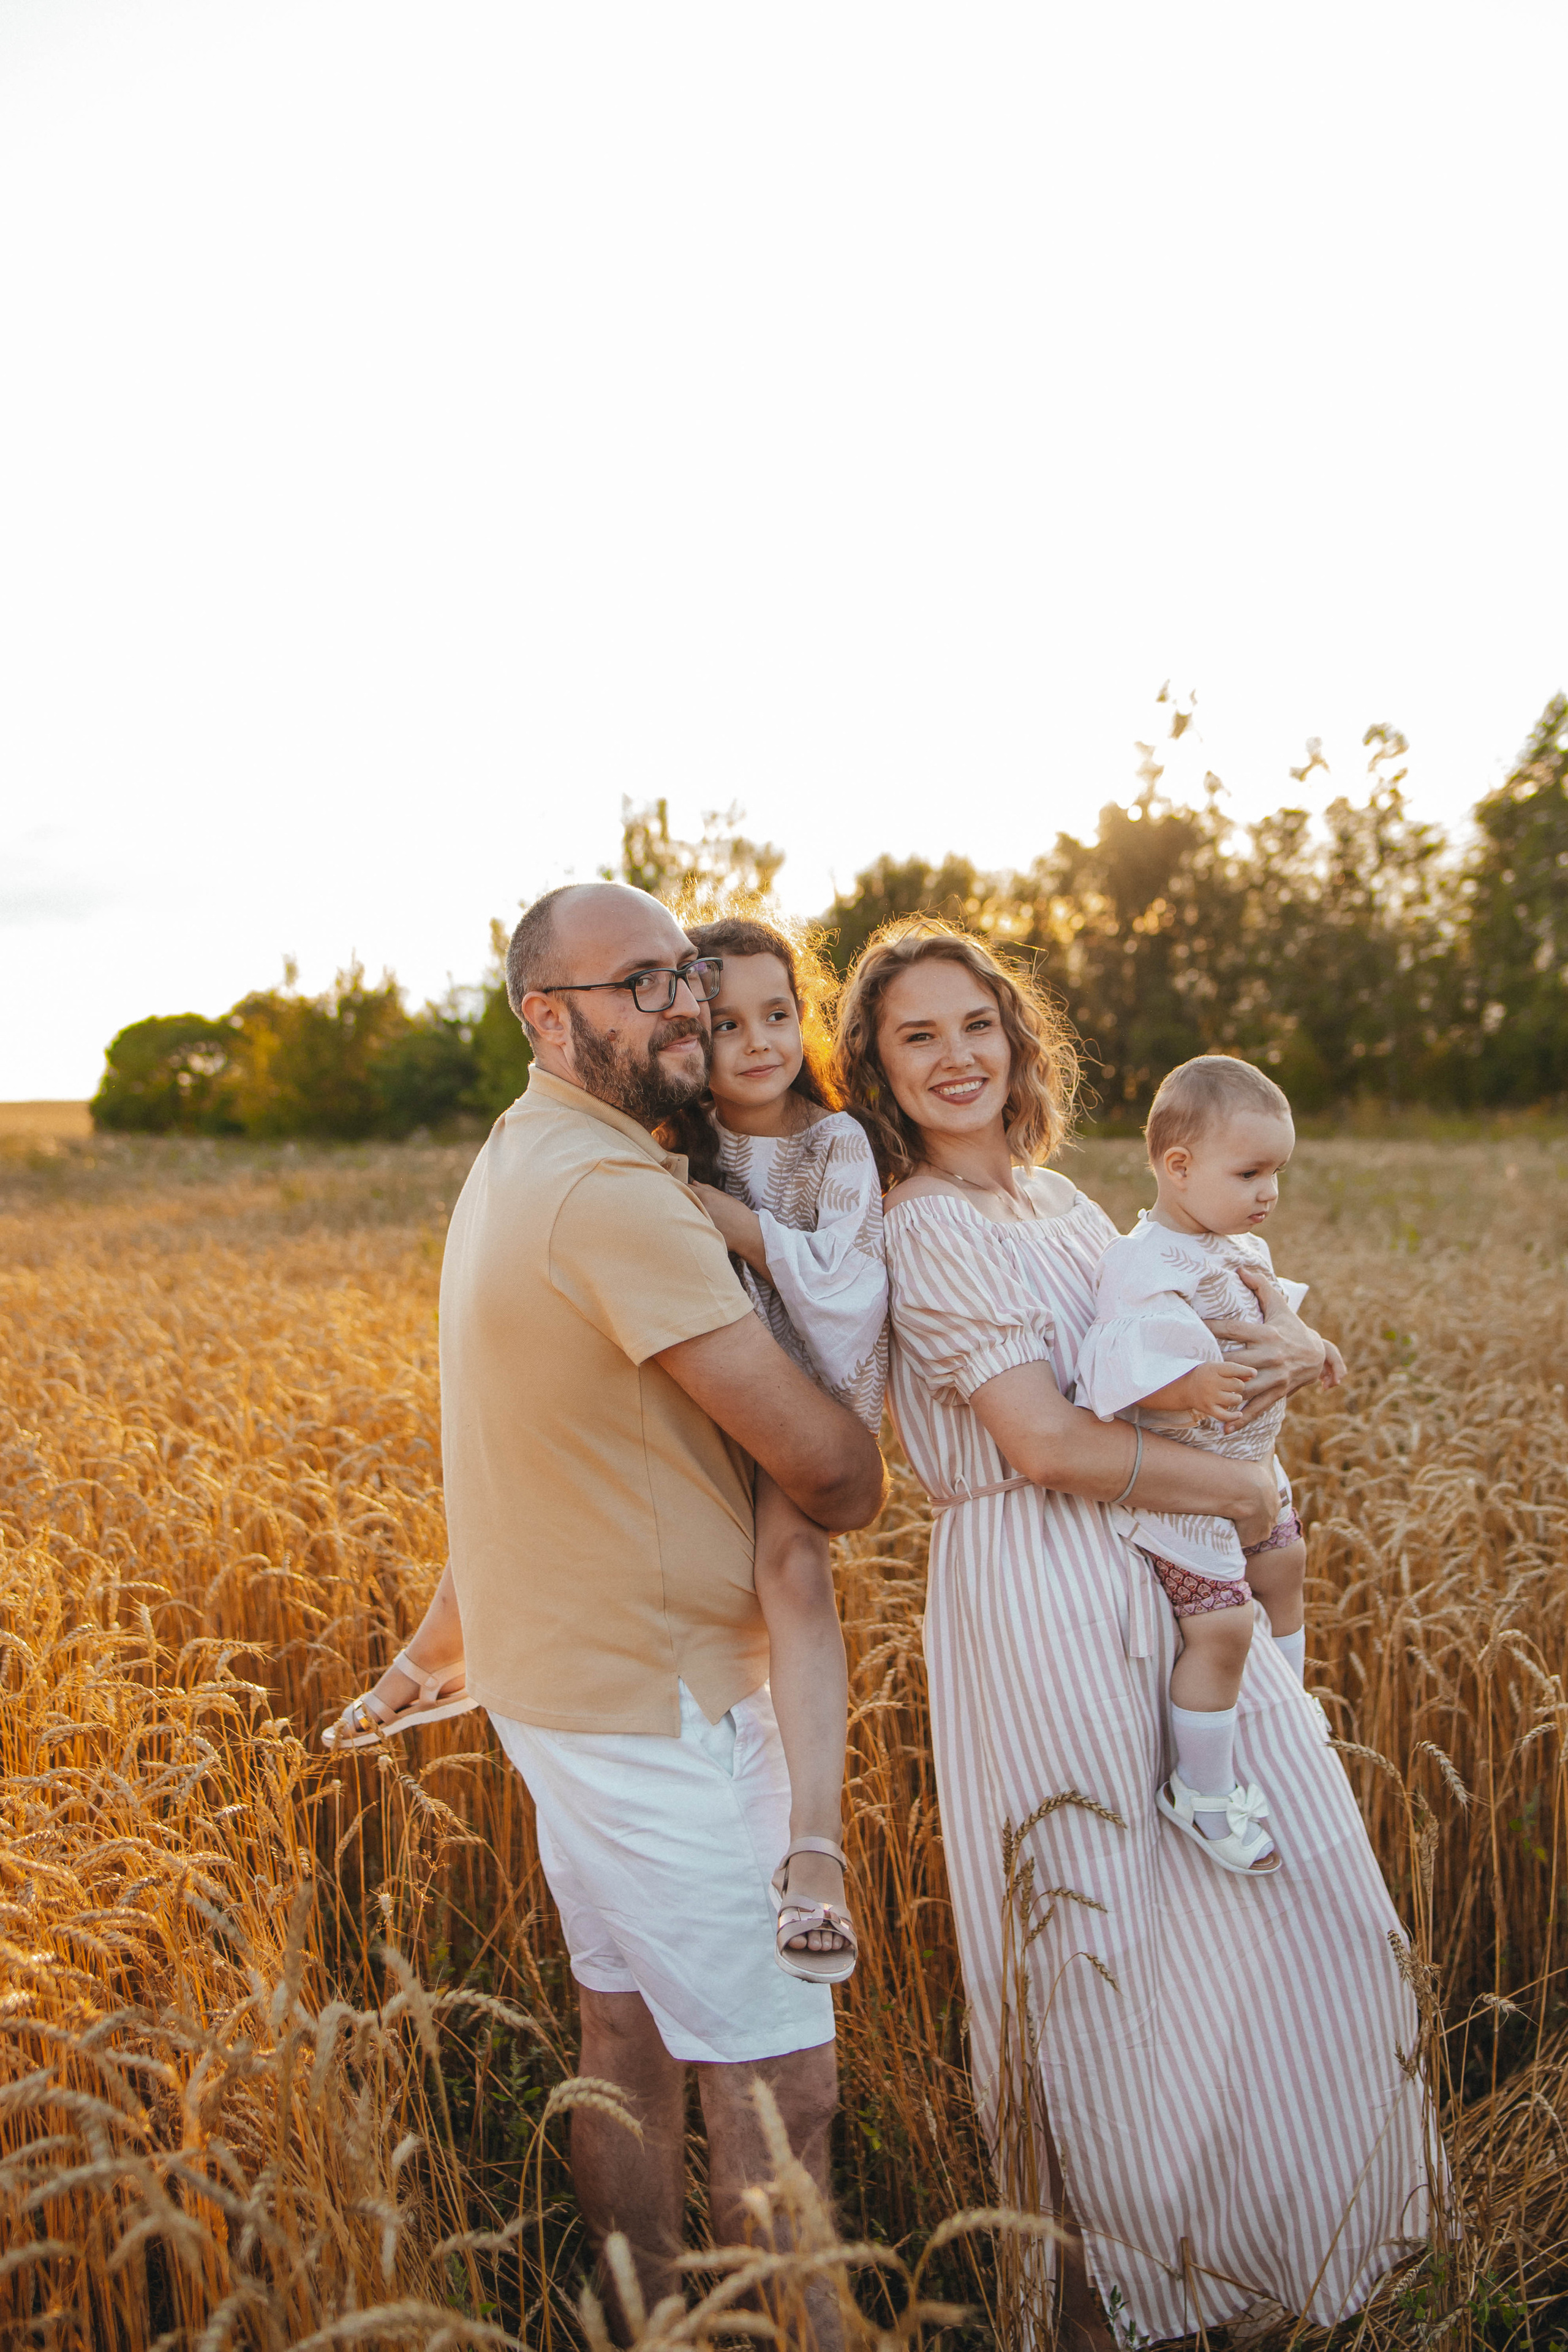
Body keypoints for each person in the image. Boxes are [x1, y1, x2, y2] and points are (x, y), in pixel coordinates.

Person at [834, 918, 1434, 2345]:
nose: (954, 1057)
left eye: (973, 1024)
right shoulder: (921, 1226)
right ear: (874, 1066)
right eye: (915, 1036)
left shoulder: (1063, 1206)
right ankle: (1114, 2306)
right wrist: (1237, 1489)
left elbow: (1163, 1364)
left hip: (1154, 1563)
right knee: (1098, 1942)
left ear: (1012, 1036)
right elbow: (1042, 1444)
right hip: (1036, 1592)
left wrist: (1282, 1353)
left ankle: (1243, 2270)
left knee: (1264, 1912)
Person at [341, 881, 886, 2337]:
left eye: (685, 976)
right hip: (665, 1712)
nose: (688, 1005)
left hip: (570, 1696)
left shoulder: (523, 1153)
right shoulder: (612, 1195)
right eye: (643, 983)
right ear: (548, 1016)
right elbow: (831, 1476)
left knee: (624, 2040)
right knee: (782, 2090)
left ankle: (645, 2326)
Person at [660, 914, 889, 1984]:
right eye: (726, 1024)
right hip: (706, 1402)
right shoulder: (677, 1139)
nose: (759, 1042)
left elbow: (845, 1286)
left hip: (808, 1392)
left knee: (794, 1570)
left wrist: (730, 1220)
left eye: (780, 1015)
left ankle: (815, 1850)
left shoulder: (831, 1143)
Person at [1074, 1054, 1343, 1877]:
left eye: (1277, 1174)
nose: (1269, 1193)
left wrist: (1316, 1347)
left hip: (1251, 1462)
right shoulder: (1146, 1262)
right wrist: (1189, 1381)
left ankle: (1283, 1710)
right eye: (1251, 1171)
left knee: (1289, 1561)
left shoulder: (1229, 1247)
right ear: (1178, 1168)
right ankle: (1204, 1786)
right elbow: (1111, 1367)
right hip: (1182, 1490)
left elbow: (1271, 1322)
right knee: (1221, 1627)